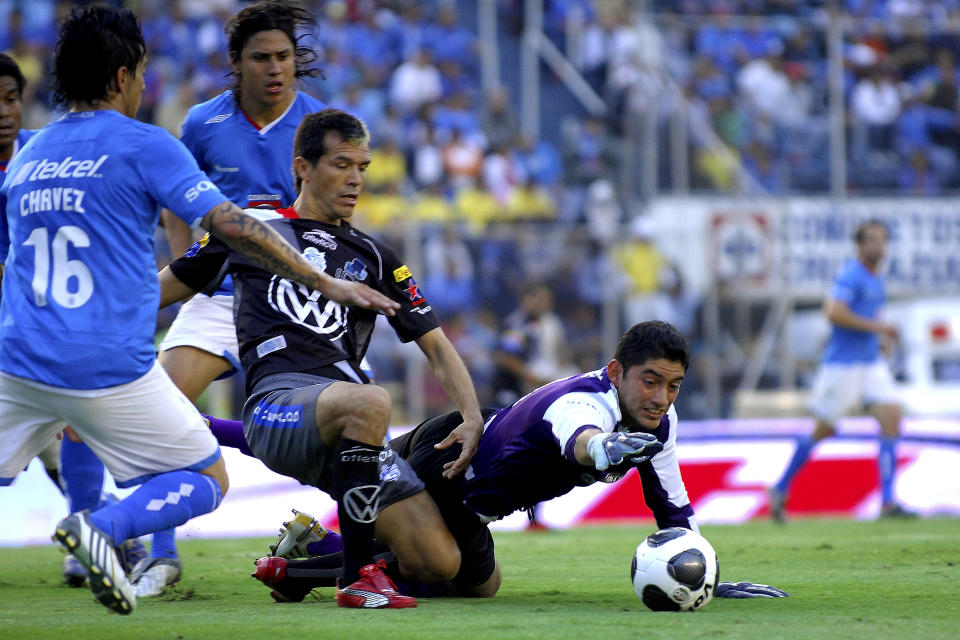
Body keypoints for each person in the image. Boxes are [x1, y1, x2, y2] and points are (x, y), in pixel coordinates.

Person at [0, 5, 397, 616]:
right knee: (204, 479)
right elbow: (232, 225)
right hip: (110, 361)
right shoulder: (151, 142)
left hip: (18, 357)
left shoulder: (28, 158)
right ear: (122, 76)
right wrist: (326, 282)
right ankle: (103, 531)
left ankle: (114, 539)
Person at [158, 108, 485, 608]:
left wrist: (471, 415)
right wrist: (89, 343)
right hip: (278, 405)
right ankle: (357, 580)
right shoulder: (252, 229)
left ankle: (297, 569)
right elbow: (159, 291)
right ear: (302, 168)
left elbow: (436, 345)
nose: (355, 179)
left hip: (349, 423)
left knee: (441, 564)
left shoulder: (376, 257)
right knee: (372, 400)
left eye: (363, 166)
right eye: (340, 164)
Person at [250, 321, 788, 601]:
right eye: (650, 381)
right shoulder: (583, 402)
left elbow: (672, 511)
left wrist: (710, 577)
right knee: (439, 567)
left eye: (673, 386)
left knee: (481, 585)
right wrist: (604, 448)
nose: (661, 397)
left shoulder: (657, 423)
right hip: (449, 467)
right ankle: (293, 572)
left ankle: (319, 543)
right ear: (617, 371)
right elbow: (581, 439)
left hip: (472, 496)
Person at [143, 0, 330, 596]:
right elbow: (176, 198)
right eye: (261, 58)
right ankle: (161, 552)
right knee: (157, 406)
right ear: (236, 63)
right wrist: (185, 265)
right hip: (221, 296)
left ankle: (350, 540)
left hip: (294, 304)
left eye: (285, 57)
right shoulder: (202, 124)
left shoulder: (318, 121)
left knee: (350, 429)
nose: (276, 69)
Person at [0, 50, 149, 588]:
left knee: (66, 433)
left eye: (12, 98)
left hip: (39, 330)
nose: (5, 111)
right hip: (23, 332)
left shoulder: (39, 157)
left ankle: (93, 530)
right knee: (51, 450)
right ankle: (103, 528)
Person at [769, 220, 915, 522]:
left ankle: (888, 502)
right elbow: (834, 312)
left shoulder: (876, 279)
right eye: (872, 240)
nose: (878, 246)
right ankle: (780, 487)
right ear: (860, 245)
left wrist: (878, 342)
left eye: (882, 240)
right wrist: (880, 328)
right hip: (843, 366)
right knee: (824, 430)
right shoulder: (852, 274)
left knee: (891, 415)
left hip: (870, 363)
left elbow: (864, 317)